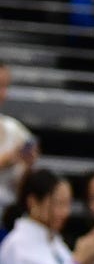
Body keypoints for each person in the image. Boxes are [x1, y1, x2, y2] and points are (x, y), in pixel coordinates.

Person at [0, 169, 94, 264]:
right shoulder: (17, 246)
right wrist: (78, 260)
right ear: (33, 202)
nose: (66, 212)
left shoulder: (54, 240)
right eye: (59, 203)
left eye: (68, 204)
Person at [0, 62, 36, 215]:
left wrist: (28, 165)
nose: (3, 94)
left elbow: (22, 191)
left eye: (5, 86)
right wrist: (6, 160)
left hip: (7, 218)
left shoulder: (16, 131)